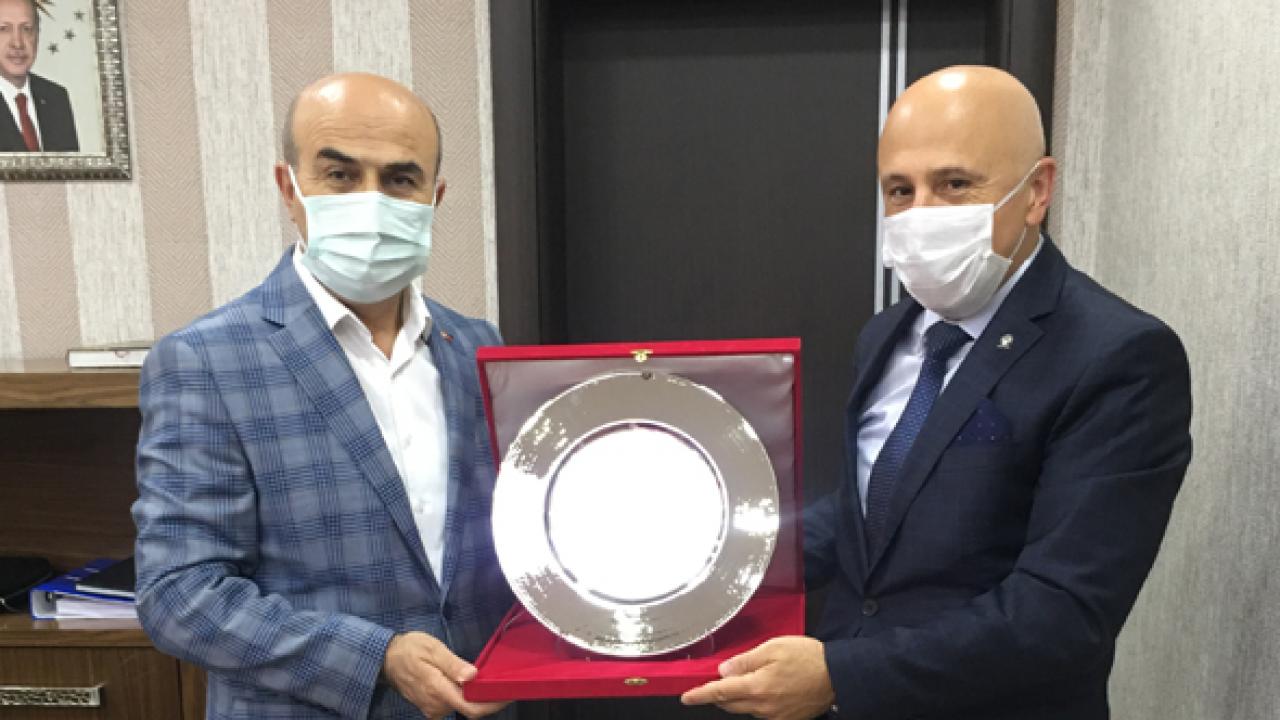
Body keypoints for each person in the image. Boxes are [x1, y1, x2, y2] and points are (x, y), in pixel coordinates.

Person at [683, 65, 1193, 720]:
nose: (921, 214)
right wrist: (715, 556)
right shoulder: (886, 335)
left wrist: (841, 675)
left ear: (1037, 190)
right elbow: (872, 515)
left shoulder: (1117, 356)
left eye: (954, 184)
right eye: (900, 190)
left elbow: (1062, 612)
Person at [133, 72, 512, 720]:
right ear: (290, 188)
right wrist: (376, 657)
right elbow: (180, 595)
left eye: (400, 179)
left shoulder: (477, 346)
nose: (371, 201)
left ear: (434, 197)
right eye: (340, 175)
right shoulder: (206, 360)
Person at [0, 0, 77, 152]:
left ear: (38, 34)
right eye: (3, 29)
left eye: (27, 29)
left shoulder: (56, 97)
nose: (17, 43)